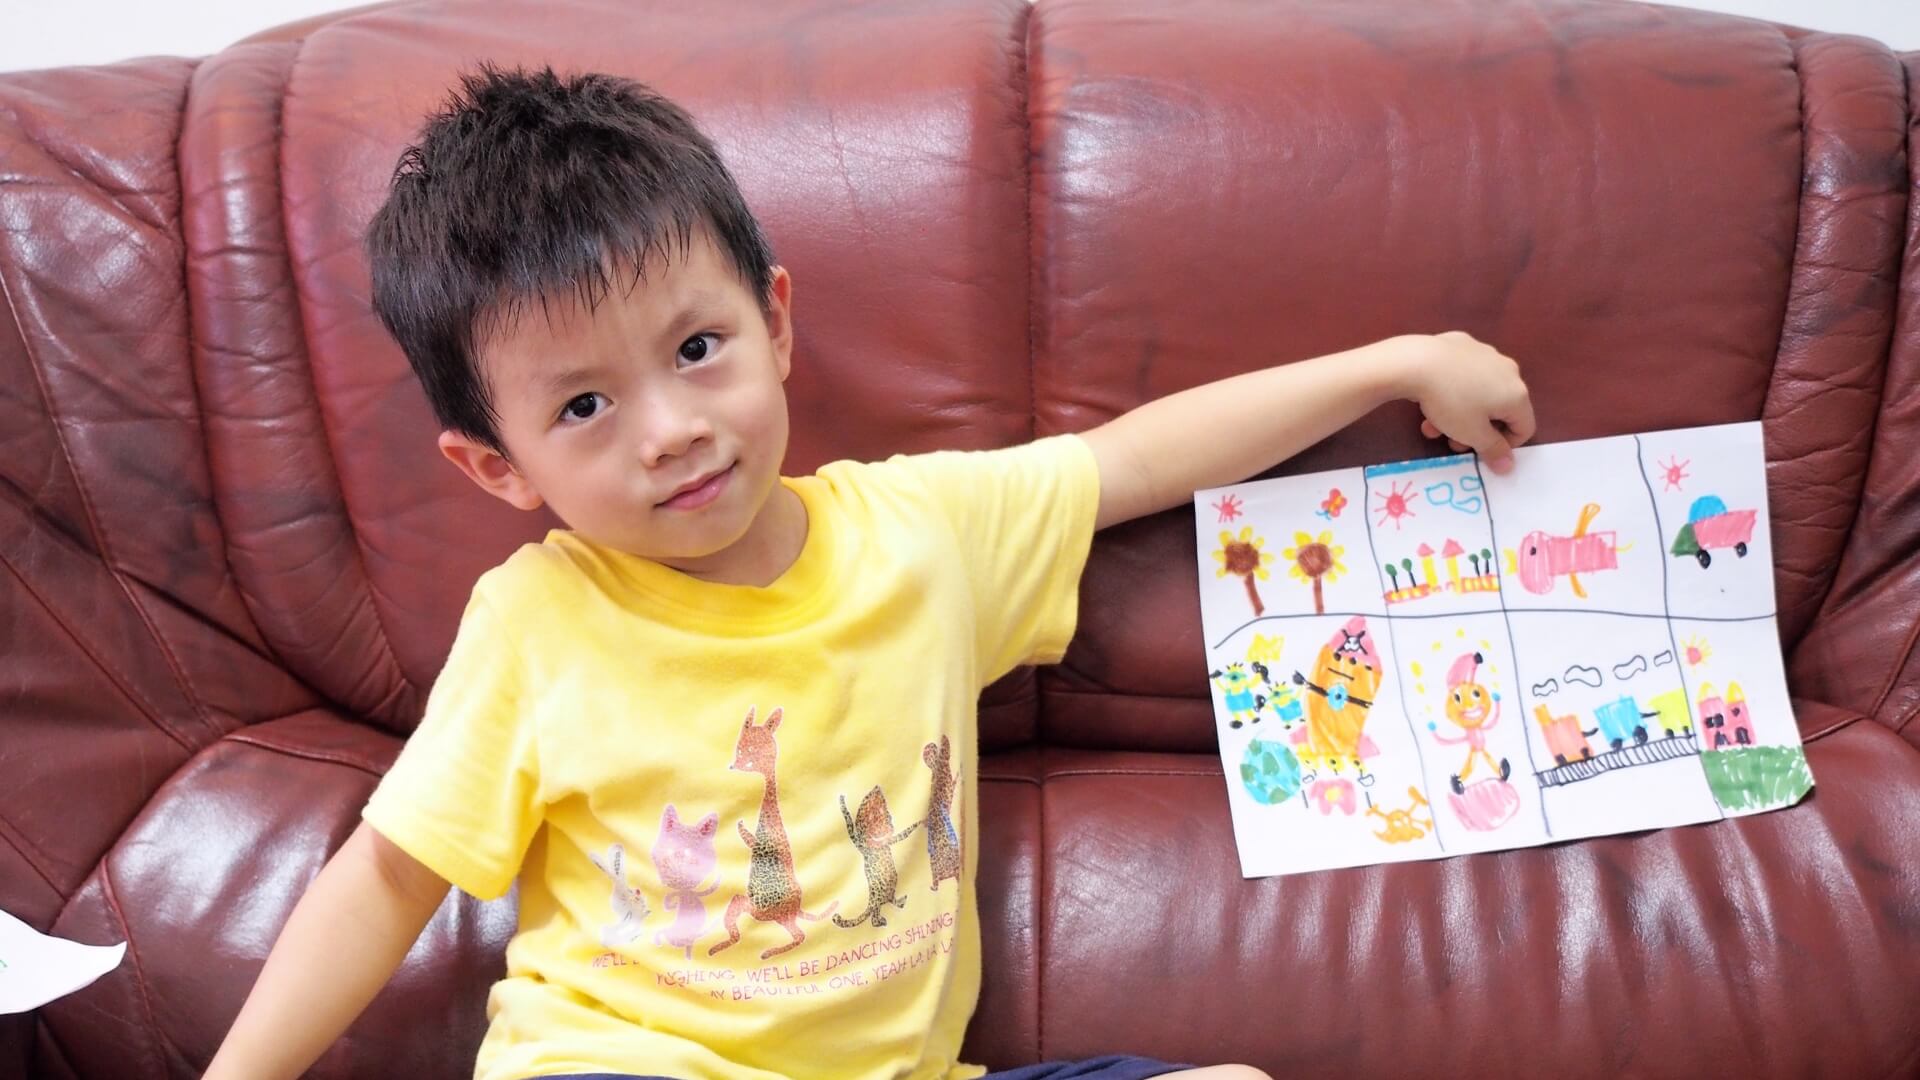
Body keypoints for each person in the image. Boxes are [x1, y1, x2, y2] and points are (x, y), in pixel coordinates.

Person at [205, 63, 1532, 1080]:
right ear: (499, 468)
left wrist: (1397, 363)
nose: (671, 431)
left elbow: (1135, 459)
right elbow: (389, 877)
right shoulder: (538, 621)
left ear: (775, 323)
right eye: (583, 408)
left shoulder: (922, 532)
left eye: (696, 350)